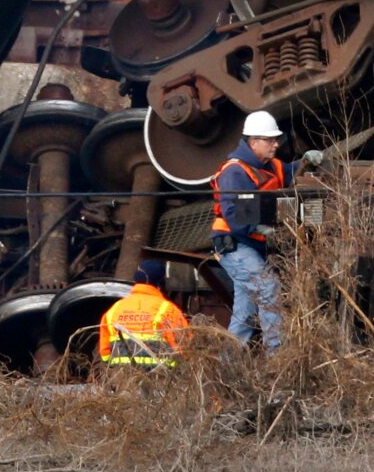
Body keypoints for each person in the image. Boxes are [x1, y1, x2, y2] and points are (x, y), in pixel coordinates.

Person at [210, 111, 323, 352]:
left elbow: (290, 172)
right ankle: (277, 355)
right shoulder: (235, 172)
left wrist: (305, 161)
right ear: (253, 142)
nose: (275, 144)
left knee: (246, 312)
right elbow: (235, 216)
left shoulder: (269, 166)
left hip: (249, 246)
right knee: (268, 287)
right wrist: (264, 230)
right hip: (235, 245)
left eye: (275, 140)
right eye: (270, 140)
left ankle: (228, 366)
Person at [97, 259, 191, 368]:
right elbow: (185, 348)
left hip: (123, 380)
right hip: (161, 379)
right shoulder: (167, 309)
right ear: (161, 282)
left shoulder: (114, 309)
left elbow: (104, 353)